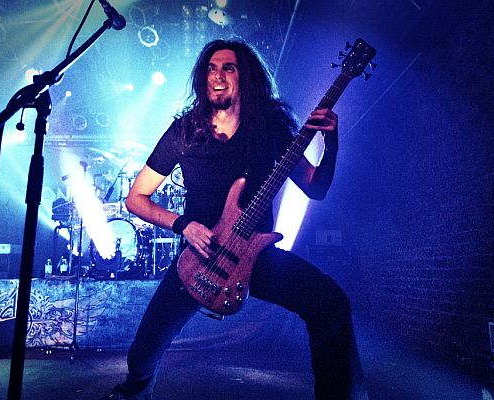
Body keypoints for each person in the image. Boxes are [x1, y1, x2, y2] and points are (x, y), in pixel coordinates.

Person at [101, 39, 367, 399]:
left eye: (229, 68)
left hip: (256, 257)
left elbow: (315, 188)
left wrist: (331, 145)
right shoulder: (184, 132)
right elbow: (136, 198)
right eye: (211, 68)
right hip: (199, 259)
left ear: (246, 77)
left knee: (331, 303)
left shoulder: (270, 129)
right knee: (143, 354)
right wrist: (183, 225)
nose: (218, 76)